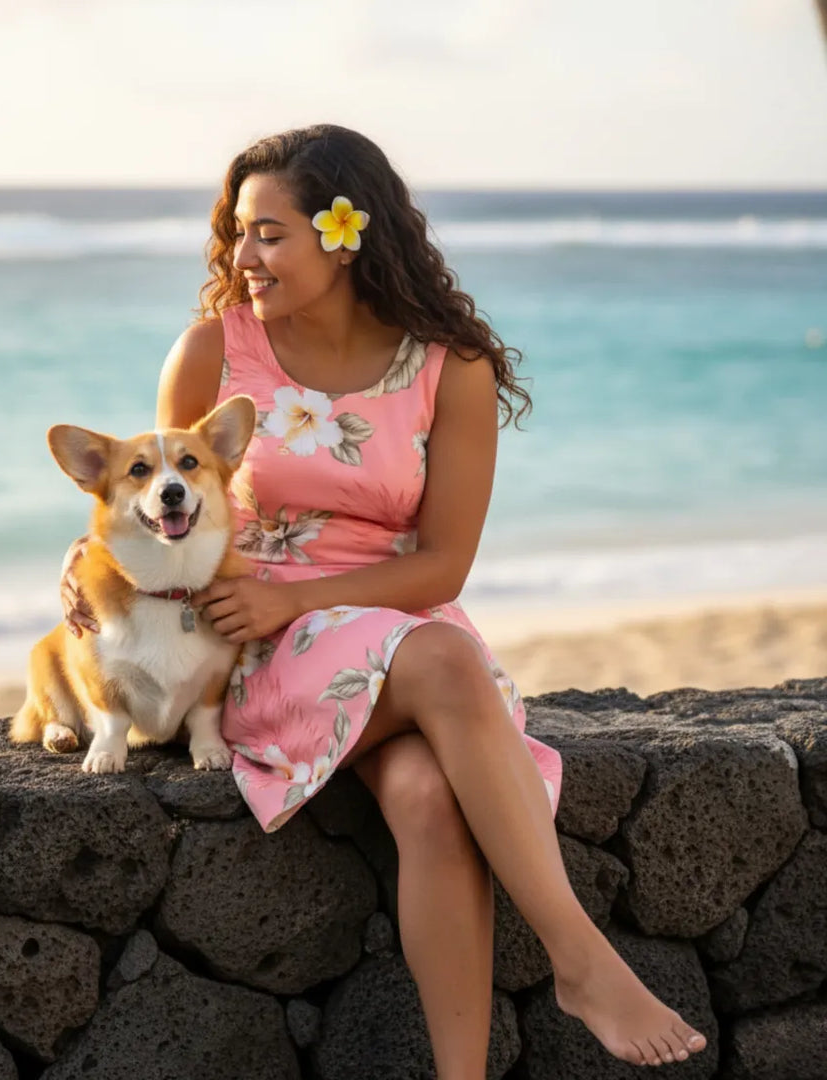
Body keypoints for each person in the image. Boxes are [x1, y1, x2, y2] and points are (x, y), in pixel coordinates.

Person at [60, 124, 707, 1077]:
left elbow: (443, 566)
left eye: (270, 234)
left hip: (400, 624)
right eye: (237, 234)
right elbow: (160, 501)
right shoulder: (213, 350)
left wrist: (304, 597)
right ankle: (582, 961)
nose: (244, 258)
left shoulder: (452, 367)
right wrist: (88, 563)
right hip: (252, 636)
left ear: (343, 234)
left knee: (425, 794)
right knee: (443, 666)